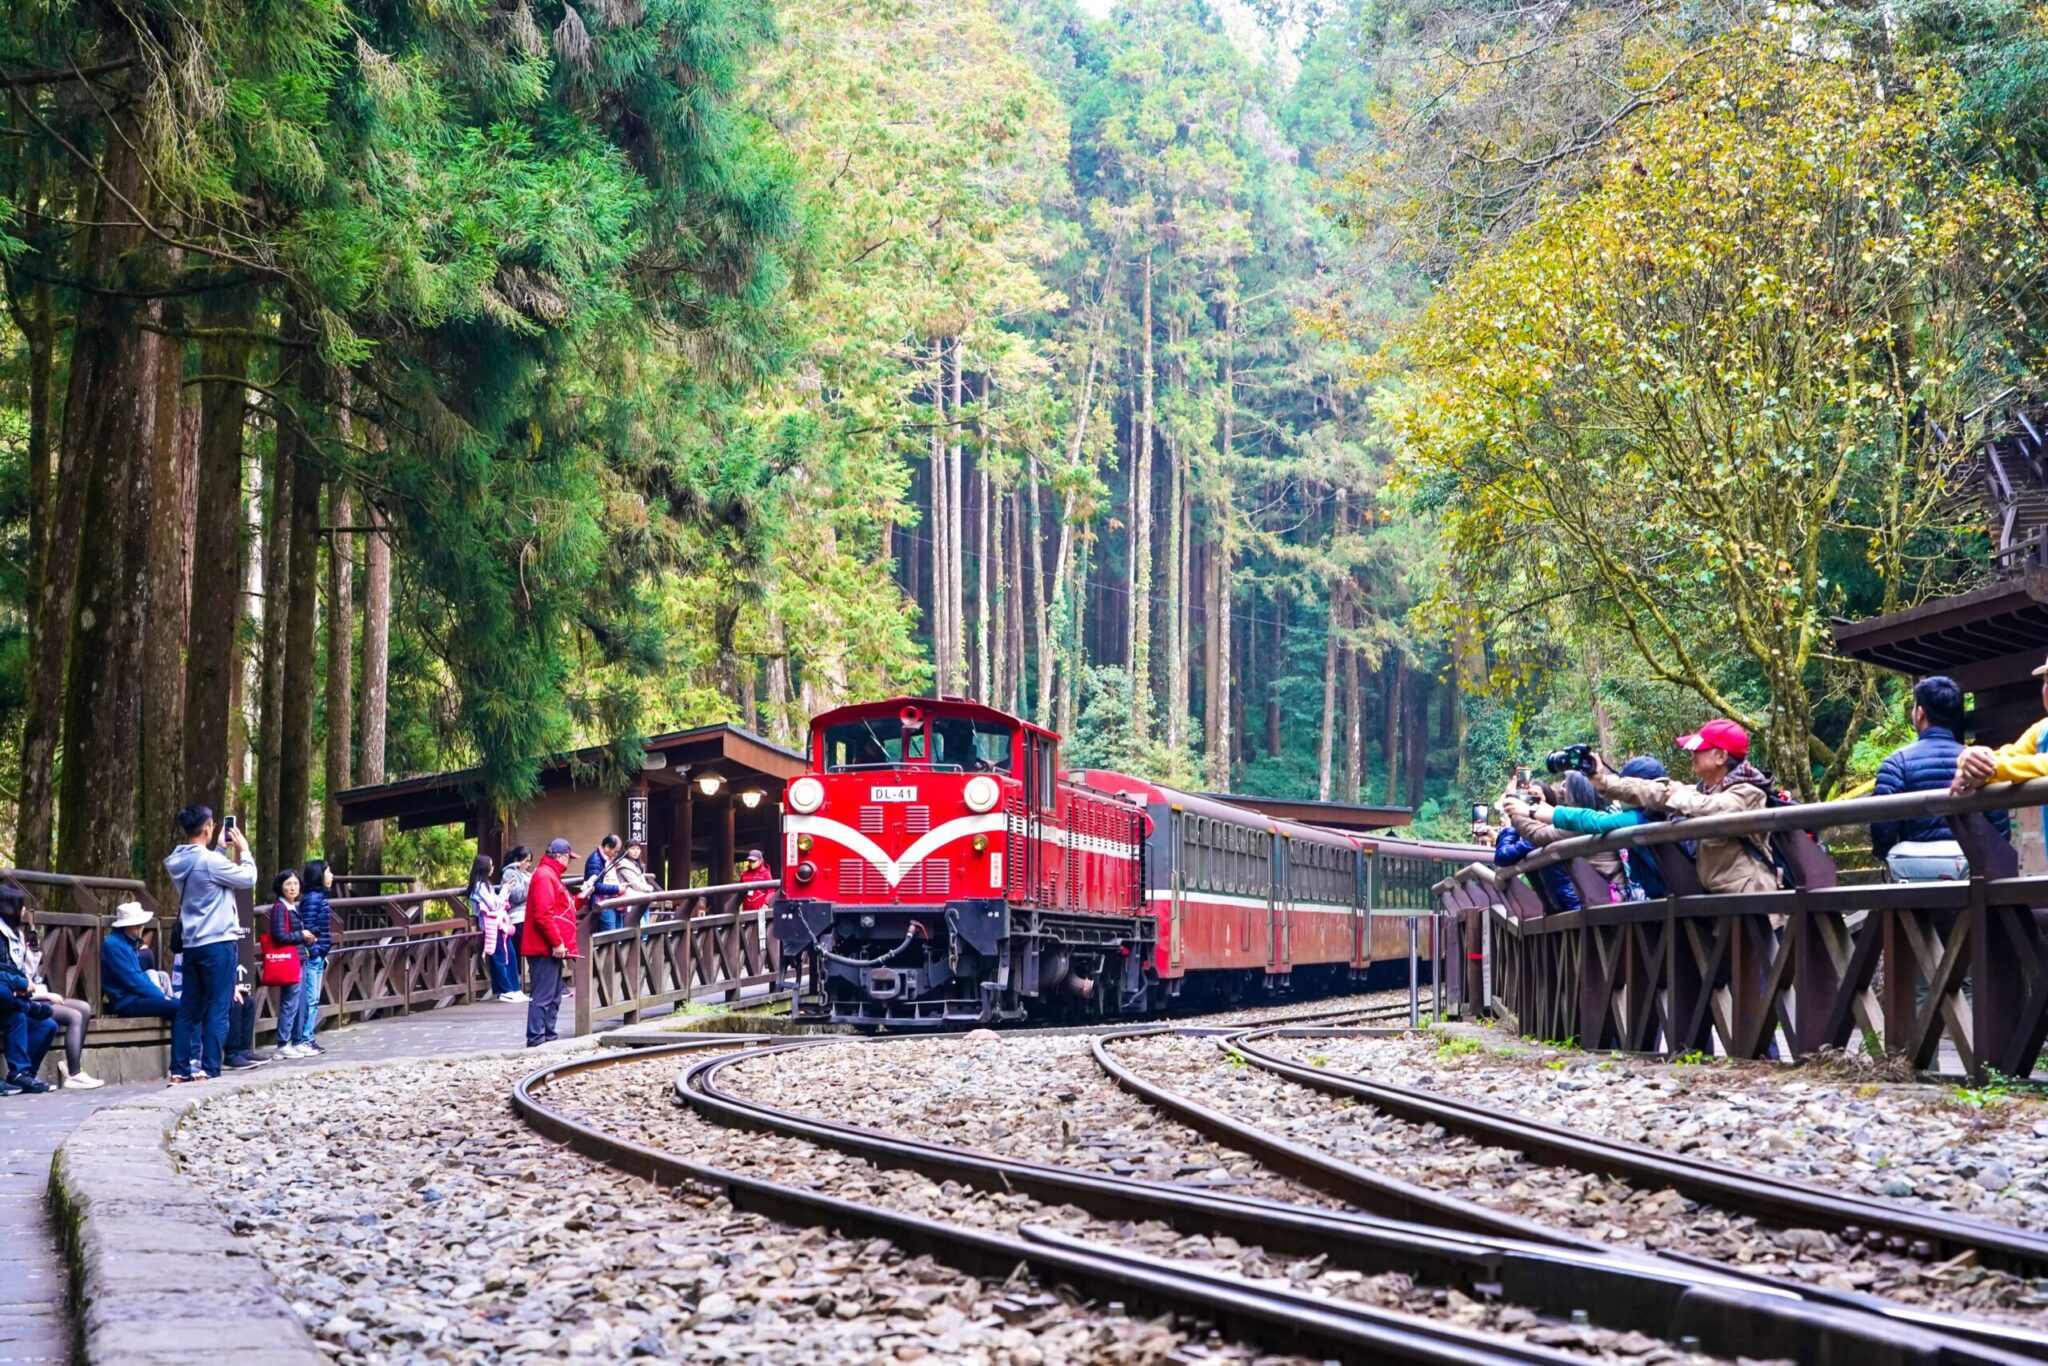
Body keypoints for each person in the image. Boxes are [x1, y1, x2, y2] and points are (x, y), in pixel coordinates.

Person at [1594, 720, 1780, 896]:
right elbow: (1653, 790)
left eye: (1701, 749)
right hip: (1725, 904)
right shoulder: (1704, 791)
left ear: (1721, 756)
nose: (1693, 753)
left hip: (1757, 903)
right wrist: (1604, 783)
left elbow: (1717, 808)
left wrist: (1678, 795)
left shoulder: (1749, 793)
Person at [1870, 676, 2009, 881]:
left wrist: (1885, 854)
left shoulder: (1896, 763)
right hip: (1973, 868)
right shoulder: (1979, 762)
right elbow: (2000, 829)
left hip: (1915, 872)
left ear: (1920, 713)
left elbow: (1883, 827)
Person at [163, 804, 258, 1084]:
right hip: (218, 943)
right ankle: (209, 1068)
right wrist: (244, 849)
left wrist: (217, 850)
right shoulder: (209, 862)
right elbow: (248, 878)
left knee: (189, 1009)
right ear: (207, 828)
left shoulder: (177, 861)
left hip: (192, 944)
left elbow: (204, 875)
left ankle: (179, 1070)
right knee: (219, 1005)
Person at [1529, 757, 1673, 898]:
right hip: (1669, 893)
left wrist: (1539, 812)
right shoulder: (1668, 812)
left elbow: (1594, 821)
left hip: (1662, 897)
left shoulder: (1636, 818)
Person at [16, 911, 104, 1088]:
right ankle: (74, 1074)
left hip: (38, 994)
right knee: (74, 1016)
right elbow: (19, 982)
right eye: (22, 908)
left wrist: (32, 955)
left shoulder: (20, 936)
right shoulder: (7, 940)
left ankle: (74, 1064)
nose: (24, 911)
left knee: (84, 1008)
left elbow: (34, 977)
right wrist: (47, 995)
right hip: (29, 1000)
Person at [0, 887, 58, 1094]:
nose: (24, 910)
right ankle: (26, 1007)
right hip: (7, 995)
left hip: (12, 998)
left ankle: (23, 1076)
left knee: (47, 1026)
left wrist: (31, 959)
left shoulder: (15, 934)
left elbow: (19, 971)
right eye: (21, 905)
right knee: (18, 1011)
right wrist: (20, 984)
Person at [521, 838, 578, 1048]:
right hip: (543, 947)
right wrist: (557, 942)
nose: (568, 862)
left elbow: (563, 907)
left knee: (553, 994)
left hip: (548, 946)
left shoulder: (549, 875)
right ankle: (536, 1038)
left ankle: (547, 1035)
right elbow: (543, 915)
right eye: (568, 858)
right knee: (544, 995)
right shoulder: (546, 877)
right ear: (560, 856)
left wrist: (583, 895)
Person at [101, 901, 184, 1046]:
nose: (142, 928)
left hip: (136, 998)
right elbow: (133, 981)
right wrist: (161, 996)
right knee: (180, 1007)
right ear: (128, 926)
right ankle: (182, 1059)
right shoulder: (113, 945)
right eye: (138, 925)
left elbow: (138, 977)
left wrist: (161, 996)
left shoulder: (126, 942)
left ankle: (186, 1056)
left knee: (183, 1005)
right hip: (127, 1002)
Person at [1493, 781, 1582, 911]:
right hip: (1564, 907)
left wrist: (1511, 823)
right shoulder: (1536, 834)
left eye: (1535, 797)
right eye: (1526, 797)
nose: (1529, 802)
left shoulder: (1549, 832)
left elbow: (1503, 855)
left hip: (1572, 907)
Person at [264, 871, 312, 1059]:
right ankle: (283, 1043)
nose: (293, 887)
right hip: (289, 960)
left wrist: (306, 940)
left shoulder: (294, 907)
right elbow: (279, 936)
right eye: (288, 884)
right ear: (280, 887)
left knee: (300, 1002)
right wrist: (301, 935)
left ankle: (297, 1040)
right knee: (290, 1002)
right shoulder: (280, 908)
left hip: (299, 958)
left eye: (295, 883)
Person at [289, 860, 334, 1054]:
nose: (331, 875)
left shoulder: (318, 898)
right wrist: (316, 952)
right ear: (319, 875)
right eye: (328, 872)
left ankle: (308, 1037)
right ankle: (305, 1038)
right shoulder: (313, 899)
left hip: (319, 953)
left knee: (313, 998)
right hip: (314, 955)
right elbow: (306, 927)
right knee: (311, 999)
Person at [469, 854, 518, 999]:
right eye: (491, 865)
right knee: (500, 958)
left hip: (499, 924)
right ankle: (506, 990)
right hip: (491, 927)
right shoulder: (479, 887)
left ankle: (514, 989)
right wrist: (504, 890)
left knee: (510, 955)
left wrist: (503, 892)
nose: (493, 868)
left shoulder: (487, 885)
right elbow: (494, 904)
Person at [500, 847, 532, 1003]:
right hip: (517, 917)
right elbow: (517, 895)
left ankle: (519, 987)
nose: (528, 864)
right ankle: (515, 986)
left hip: (527, 915)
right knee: (517, 953)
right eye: (526, 861)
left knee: (524, 952)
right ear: (517, 860)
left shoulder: (525, 874)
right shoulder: (509, 874)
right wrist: (530, 885)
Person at [585, 835, 624, 933]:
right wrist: (617, 889)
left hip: (611, 900)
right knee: (610, 934)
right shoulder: (595, 860)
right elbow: (595, 886)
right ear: (607, 847)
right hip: (602, 901)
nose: (616, 854)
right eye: (615, 851)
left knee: (618, 932)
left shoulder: (607, 858)